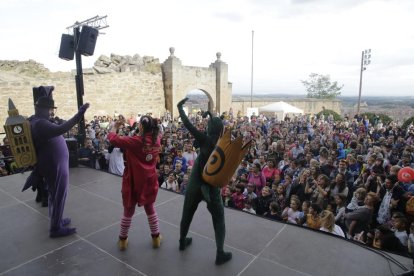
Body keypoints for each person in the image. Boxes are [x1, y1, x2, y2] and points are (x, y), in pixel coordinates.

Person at [177, 97, 232, 265]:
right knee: (219, 219)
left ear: (208, 128)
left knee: (187, 212)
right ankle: (220, 252)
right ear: (221, 130)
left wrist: (180, 108)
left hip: (195, 182)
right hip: (211, 184)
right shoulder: (223, 145)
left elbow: (188, 124)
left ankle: (182, 241)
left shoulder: (204, 139)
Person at [24, 94, 89, 237]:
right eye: (49, 109)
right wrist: (79, 114)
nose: (51, 112)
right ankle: (56, 228)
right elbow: (62, 128)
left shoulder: (37, 120)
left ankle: (57, 220)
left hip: (53, 163)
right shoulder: (41, 123)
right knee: (59, 195)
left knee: (55, 194)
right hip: (54, 164)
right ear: (41, 109)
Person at [107, 115, 162, 251]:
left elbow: (113, 139)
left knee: (128, 210)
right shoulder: (158, 140)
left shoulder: (135, 141)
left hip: (133, 180)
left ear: (141, 127)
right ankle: (156, 238)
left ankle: (122, 240)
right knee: (150, 208)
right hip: (149, 180)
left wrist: (115, 126)